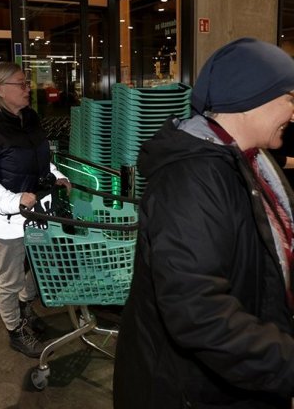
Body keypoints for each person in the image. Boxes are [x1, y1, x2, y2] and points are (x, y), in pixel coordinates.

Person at [113, 37, 294, 409]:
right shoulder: (191, 179)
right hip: (187, 392)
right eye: (289, 98)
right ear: (251, 96)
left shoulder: (249, 161)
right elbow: (197, 311)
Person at [0, 61, 70, 358]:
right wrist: (14, 200)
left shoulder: (29, 118)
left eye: (26, 83)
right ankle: (15, 329)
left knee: (38, 267)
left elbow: (40, 159)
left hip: (37, 216)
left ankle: (25, 308)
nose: (27, 89)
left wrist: (57, 176)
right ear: (0, 90)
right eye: (21, 84)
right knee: (10, 280)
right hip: (6, 222)